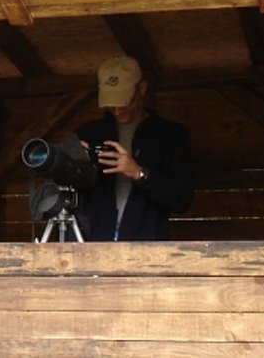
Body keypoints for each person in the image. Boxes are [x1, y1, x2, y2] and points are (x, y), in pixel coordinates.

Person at [76, 55, 193, 241]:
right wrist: (74, 165)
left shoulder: (171, 136)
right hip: (92, 245)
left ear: (142, 89)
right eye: (111, 104)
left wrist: (139, 173)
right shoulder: (88, 133)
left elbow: (181, 200)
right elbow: (66, 196)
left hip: (147, 248)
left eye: (124, 102)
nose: (118, 110)